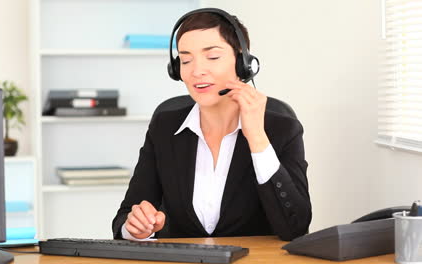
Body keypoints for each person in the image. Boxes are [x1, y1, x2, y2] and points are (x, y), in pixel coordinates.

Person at [112, 8, 311, 241]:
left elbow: (295, 227)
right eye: (186, 60)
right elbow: (125, 217)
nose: (196, 71)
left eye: (213, 57)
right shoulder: (164, 127)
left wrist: (257, 137)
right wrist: (136, 228)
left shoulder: (282, 130)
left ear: (243, 63)